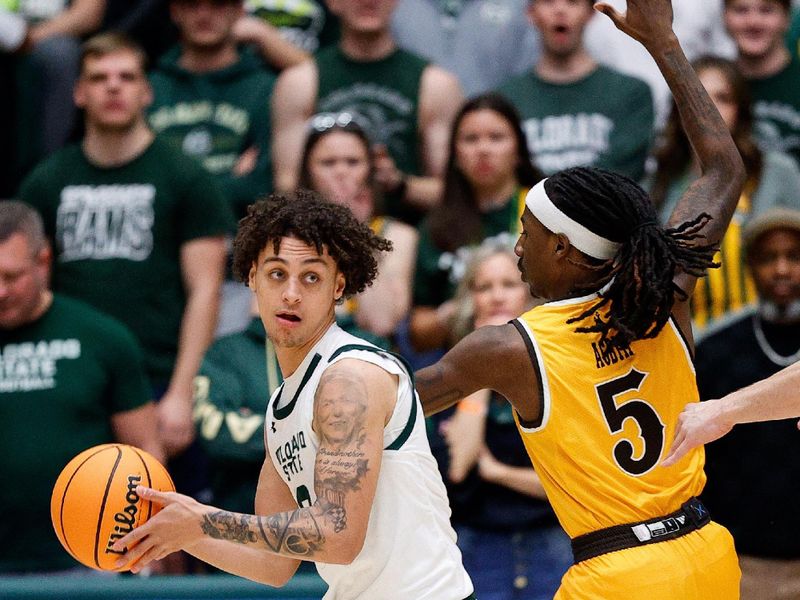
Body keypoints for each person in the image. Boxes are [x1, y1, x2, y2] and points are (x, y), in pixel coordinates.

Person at [415, 0, 747, 597]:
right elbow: (723, 169)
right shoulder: (666, 293)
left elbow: (393, 404)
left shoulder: (506, 348)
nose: (517, 250)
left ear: (566, 250)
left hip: (618, 573)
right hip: (706, 553)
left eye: (528, 234)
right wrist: (663, 43)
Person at [111, 190, 475, 600]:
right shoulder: (282, 409)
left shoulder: (348, 379)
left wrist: (204, 521)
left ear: (339, 286)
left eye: (311, 277)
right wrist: (177, 534)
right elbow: (274, 564)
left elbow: (337, 534)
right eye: (277, 273)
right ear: (252, 278)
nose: (291, 294)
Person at [18, 32, 233, 469]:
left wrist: (182, 393)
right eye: (99, 78)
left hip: (157, 376)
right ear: (78, 92)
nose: (113, 87)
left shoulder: (185, 176)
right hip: (71, 379)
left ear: (146, 91)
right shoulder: (46, 181)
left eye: (126, 76)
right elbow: (30, 290)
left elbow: (206, 291)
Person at [0, 201, 163, 574]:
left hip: (88, 559)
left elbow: (146, 450)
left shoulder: (101, 337)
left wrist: (149, 544)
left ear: (43, 261)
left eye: (12, 276)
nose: (0, 291)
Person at [440, 238, 571, 600]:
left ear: (530, 296)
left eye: (509, 285)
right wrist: (485, 361)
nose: (497, 296)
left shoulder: (558, 371)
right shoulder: (449, 373)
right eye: (484, 287)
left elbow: (569, 481)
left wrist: (496, 471)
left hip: (553, 539)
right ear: (471, 301)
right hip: (475, 544)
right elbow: (458, 465)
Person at [685, 207, 800, 600]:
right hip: (743, 563)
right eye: (769, 258)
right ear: (750, 266)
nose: (782, 270)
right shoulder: (715, 351)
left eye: (794, 257)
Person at [148, 0, 277, 337]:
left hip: (236, 267)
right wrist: (228, 180)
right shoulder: (150, 86)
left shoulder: (264, 87)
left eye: (218, 4)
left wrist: (175, 188)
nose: (204, 14)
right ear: (175, 10)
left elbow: (264, 186)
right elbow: (142, 183)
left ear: (238, 10)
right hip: (157, 259)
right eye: (194, 5)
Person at [271, 0, 463, 224]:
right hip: (320, 236)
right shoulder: (299, 82)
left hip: (403, 239)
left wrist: (398, 184)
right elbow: (286, 186)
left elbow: (455, 196)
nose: (369, 1)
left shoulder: (436, 85)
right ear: (332, 3)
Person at [650, 55, 800, 329]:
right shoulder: (659, 181)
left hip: (770, 338)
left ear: (741, 110)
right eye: (697, 98)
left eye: (723, 98)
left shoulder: (779, 171)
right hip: (690, 342)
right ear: (677, 109)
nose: (708, 109)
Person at [409, 93, 542, 355]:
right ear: (455, 155)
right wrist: (456, 314)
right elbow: (416, 331)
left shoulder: (546, 210)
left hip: (542, 354)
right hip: (463, 359)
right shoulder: (436, 226)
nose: (483, 149)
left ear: (518, 150)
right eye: (471, 139)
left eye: (496, 138)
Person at [496, 0, 654, 180]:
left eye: (572, 2)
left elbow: (624, 174)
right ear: (530, 13)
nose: (560, 10)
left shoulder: (630, 93)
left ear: (591, 13)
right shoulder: (504, 99)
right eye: (549, 2)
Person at [298, 114, 417, 340]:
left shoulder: (397, 236)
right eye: (328, 163)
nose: (341, 172)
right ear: (308, 171)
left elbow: (381, 323)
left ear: (370, 169)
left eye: (353, 162)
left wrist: (357, 232)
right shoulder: (285, 235)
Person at [390, 0, 540, 97]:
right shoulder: (393, 6)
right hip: (413, 133)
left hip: (495, 134)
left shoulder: (518, 6)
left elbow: (531, 80)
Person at [725, 0, 800, 166]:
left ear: (787, 18)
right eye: (741, 10)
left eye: (766, 10)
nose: (753, 22)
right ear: (725, 16)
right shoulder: (712, 86)